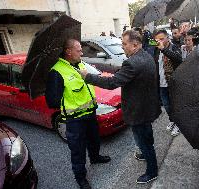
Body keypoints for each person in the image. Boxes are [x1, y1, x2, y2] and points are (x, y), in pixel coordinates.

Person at [79, 30, 161, 184]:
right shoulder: (146, 56)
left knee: (145, 141)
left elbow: (112, 83)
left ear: (135, 44)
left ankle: (152, 171)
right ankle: (145, 154)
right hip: (147, 107)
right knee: (145, 138)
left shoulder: (132, 63)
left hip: (139, 111)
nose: (122, 47)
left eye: (124, 44)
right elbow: (135, 77)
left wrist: (87, 77)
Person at [45, 39, 111, 189]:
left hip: (90, 113)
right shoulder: (57, 71)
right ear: (68, 51)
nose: (82, 53)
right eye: (79, 50)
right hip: (75, 119)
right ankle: (81, 178)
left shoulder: (80, 64)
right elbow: (52, 101)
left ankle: (95, 157)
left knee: (94, 139)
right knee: (78, 150)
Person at [153, 29, 183, 136]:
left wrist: (164, 49)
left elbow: (179, 59)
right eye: (157, 39)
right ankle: (173, 121)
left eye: (161, 39)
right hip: (162, 84)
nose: (159, 41)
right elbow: (156, 65)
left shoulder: (174, 47)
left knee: (176, 105)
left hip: (173, 83)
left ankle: (179, 124)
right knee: (167, 105)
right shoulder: (156, 50)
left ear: (167, 38)